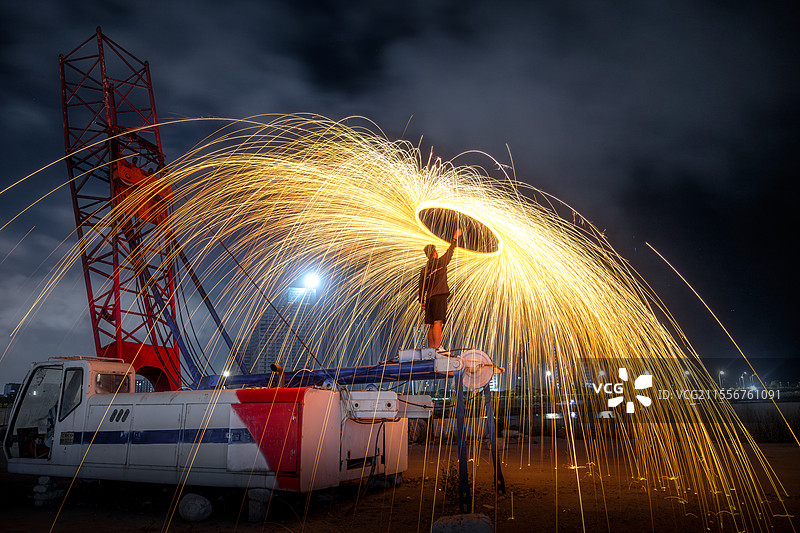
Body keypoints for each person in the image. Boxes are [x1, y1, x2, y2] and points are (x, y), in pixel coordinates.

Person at [418, 227, 462, 350]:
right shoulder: (440, 263)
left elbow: (421, 286)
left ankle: (431, 349)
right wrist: (455, 238)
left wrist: (421, 300)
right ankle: (437, 349)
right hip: (439, 296)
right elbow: (450, 251)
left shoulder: (424, 270)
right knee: (438, 322)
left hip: (429, 299)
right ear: (434, 254)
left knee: (432, 325)